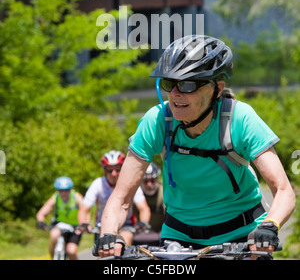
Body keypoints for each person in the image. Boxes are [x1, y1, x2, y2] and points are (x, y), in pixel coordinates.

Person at [96, 35, 296, 259]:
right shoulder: (157, 121)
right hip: (178, 239)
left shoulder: (239, 119)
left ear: (217, 89)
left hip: (242, 236)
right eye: (168, 83)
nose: (174, 94)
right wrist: (108, 235)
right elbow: (121, 198)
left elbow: (283, 191)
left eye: (187, 84)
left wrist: (269, 227)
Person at [78, 150, 151, 246]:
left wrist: (143, 222)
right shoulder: (98, 184)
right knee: (103, 253)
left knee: (121, 245)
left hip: (126, 225)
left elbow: (144, 208)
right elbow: (84, 209)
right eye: (109, 170)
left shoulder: (131, 183)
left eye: (117, 169)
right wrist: (84, 223)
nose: (114, 174)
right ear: (104, 171)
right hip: (102, 226)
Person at [36, 176, 83, 260]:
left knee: (71, 251)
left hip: (75, 227)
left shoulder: (77, 197)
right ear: (57, 190)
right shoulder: (55, 197)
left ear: (70, 189)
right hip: (60, 225)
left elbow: (84, 211)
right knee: (54, 235)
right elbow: (41, 213)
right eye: (61, 191)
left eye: (67, 190)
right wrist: (41, 222)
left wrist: (83, 225)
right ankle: (52, 257)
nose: (64, 193)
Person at [133, 162, 165, 246]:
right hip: (139, 232)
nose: (149, 184)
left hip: (160, 232)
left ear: (157, 180)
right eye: (145, 181)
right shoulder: (136, 193)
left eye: (152, 181)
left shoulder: (164, 192)